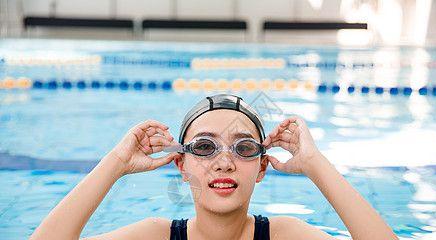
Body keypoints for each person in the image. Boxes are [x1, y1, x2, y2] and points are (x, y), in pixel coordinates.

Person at [30, 94, 398, 240]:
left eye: (244, 148)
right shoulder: (154, 237)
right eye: (205, 147)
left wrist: (316, 164)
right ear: (181, 164)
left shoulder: (287, 236)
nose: (223, 162)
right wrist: (114, 164)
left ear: (262, 168)